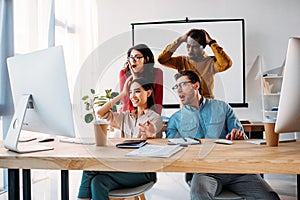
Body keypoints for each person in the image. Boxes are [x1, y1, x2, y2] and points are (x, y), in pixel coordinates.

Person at [166, 70, 280, 200]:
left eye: (183, 85)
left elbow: (242, 137)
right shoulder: (175, 119)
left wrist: (239, 135)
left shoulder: (223, 107)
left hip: (236, 169)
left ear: (196, 85)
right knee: (198, 194)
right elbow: (171, 147)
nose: (179, 90)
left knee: (270, 197)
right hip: (204, 172)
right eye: (176, 87)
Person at [77, 76, 163, 200]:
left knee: (91, 168)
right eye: (131, 92)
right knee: (98, 181)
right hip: (123, 167)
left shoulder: (155, 118)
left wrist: (152, 134)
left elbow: (155, 132)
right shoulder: (125, 117)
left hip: (143, 171)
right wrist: (122, 93)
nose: (133, 95)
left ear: (148, 93)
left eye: (137, 91)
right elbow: (100, 113)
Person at [158, 29, 232, 99]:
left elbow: (226, 64)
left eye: (195, 47)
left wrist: (211, 42)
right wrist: (180, 40)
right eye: (188, 46)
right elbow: (161, 59)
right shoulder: (181, 61)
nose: (190, 50)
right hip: (187, 106)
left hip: (207, 106)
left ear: (203, 47)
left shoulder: (210, 62)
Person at [119, 43, 163, 114]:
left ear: (147, 58)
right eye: (131, 57)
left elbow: (157, 102)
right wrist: (134, 78)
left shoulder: (157, 73)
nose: (133, 61)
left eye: (137, 57)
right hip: (129, 115)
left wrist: (155, 118)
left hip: (150, 115)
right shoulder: (124, 73)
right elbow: (125, 101)